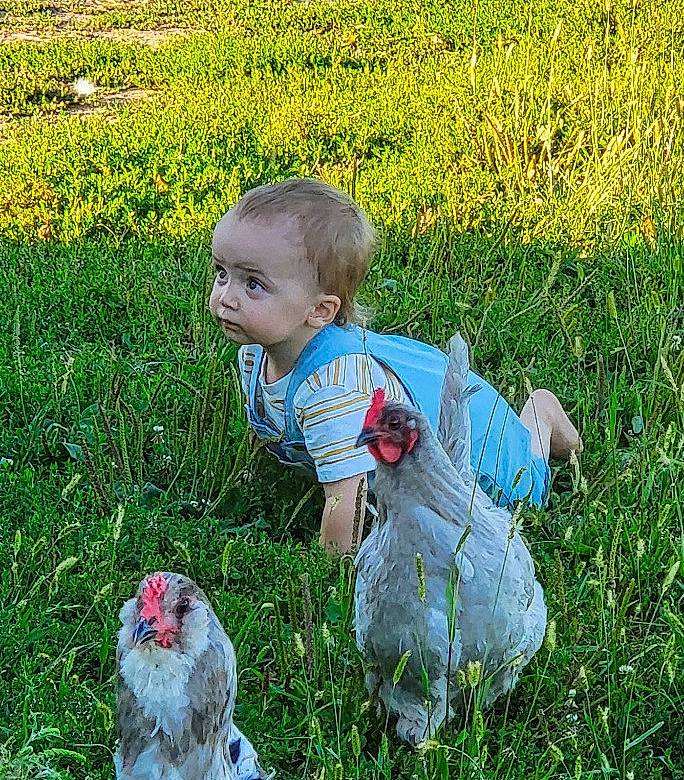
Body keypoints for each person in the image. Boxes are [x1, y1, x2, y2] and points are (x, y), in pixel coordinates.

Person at [210, 177, 581, 554]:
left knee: (523, 495)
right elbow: (269, 421)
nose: (225, 297)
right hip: (432, 412)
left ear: (320, 310)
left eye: (253, 284)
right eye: (222, 273)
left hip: (479, 467)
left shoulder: (331, 392)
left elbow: (346, 498)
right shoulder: (256, 353)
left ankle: (541, 415)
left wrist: (328, 574)